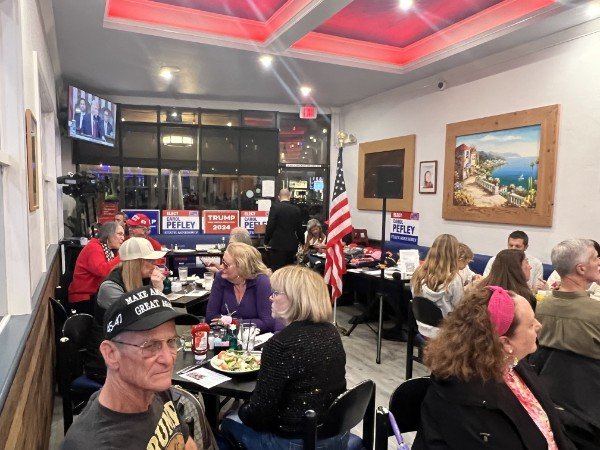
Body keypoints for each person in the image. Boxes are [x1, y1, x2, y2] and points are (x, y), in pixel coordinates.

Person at [414, 286, 575, 450]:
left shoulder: (512, 365)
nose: (538, 325)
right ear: (505, 343)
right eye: (530, 324)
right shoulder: (469, 400)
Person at [220, 265, 347, 449]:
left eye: (276, 293)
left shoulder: (281, 344)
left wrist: (239, 410)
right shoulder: (331, 332)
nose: (271, 297)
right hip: (337, 434)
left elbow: (259, 416)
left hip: (295, 441)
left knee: (227, 422)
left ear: (296, 300)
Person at [62, 286, 199, 449]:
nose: (168, 360)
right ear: (111, 354)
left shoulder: (156, 389)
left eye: (171, 342)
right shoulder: (93, 443)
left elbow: (185, 442)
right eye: (151, 346)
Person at [85, 237, 166, 382]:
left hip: (130, 349)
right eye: (149, 261)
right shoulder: (110, 287)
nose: (155, 265)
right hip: (107, 360)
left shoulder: (143, 279)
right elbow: (141, 321)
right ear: (135, 263)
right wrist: (157, 292)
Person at [536, 239, 600, 360]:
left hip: (541, 377)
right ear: (581, 269)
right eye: (595, 258)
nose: (599, 262)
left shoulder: (537, 308)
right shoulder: (597, 312)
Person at [206, 242, 281, 332]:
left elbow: (267, 323)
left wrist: (233, 322)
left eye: (226, 265)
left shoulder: (262, 281)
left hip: (255, 339)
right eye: (222, 262)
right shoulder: (220, 277)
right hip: (226, 338)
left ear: (241, 267)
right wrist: (249, 322)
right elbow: (210, 318)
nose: (221, 267)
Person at [410, 234, 464, 338]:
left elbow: (415, 297)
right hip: (444, 333)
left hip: (422, 327)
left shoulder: (418, 273)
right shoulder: (454, 279)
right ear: (454, 254)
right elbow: (460, 308)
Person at [68, 222, 124, 314]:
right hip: (84, 299)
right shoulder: (94, 247)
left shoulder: (109, 250)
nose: (123, 238)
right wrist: (122, 256)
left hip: (94, 296)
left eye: (123, 234)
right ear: (108, 234)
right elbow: (103, 271)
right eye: (119, 234)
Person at [265, 188, 304, 271]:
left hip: (277, 244)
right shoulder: (296, 209)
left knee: (277, 269)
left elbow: (270, 225)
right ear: (289, 196)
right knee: (289, 270)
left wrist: (266, 241)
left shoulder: (275, 207)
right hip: (291, 245)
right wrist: (302, 242)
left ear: (279, 197)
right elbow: (299, 228)